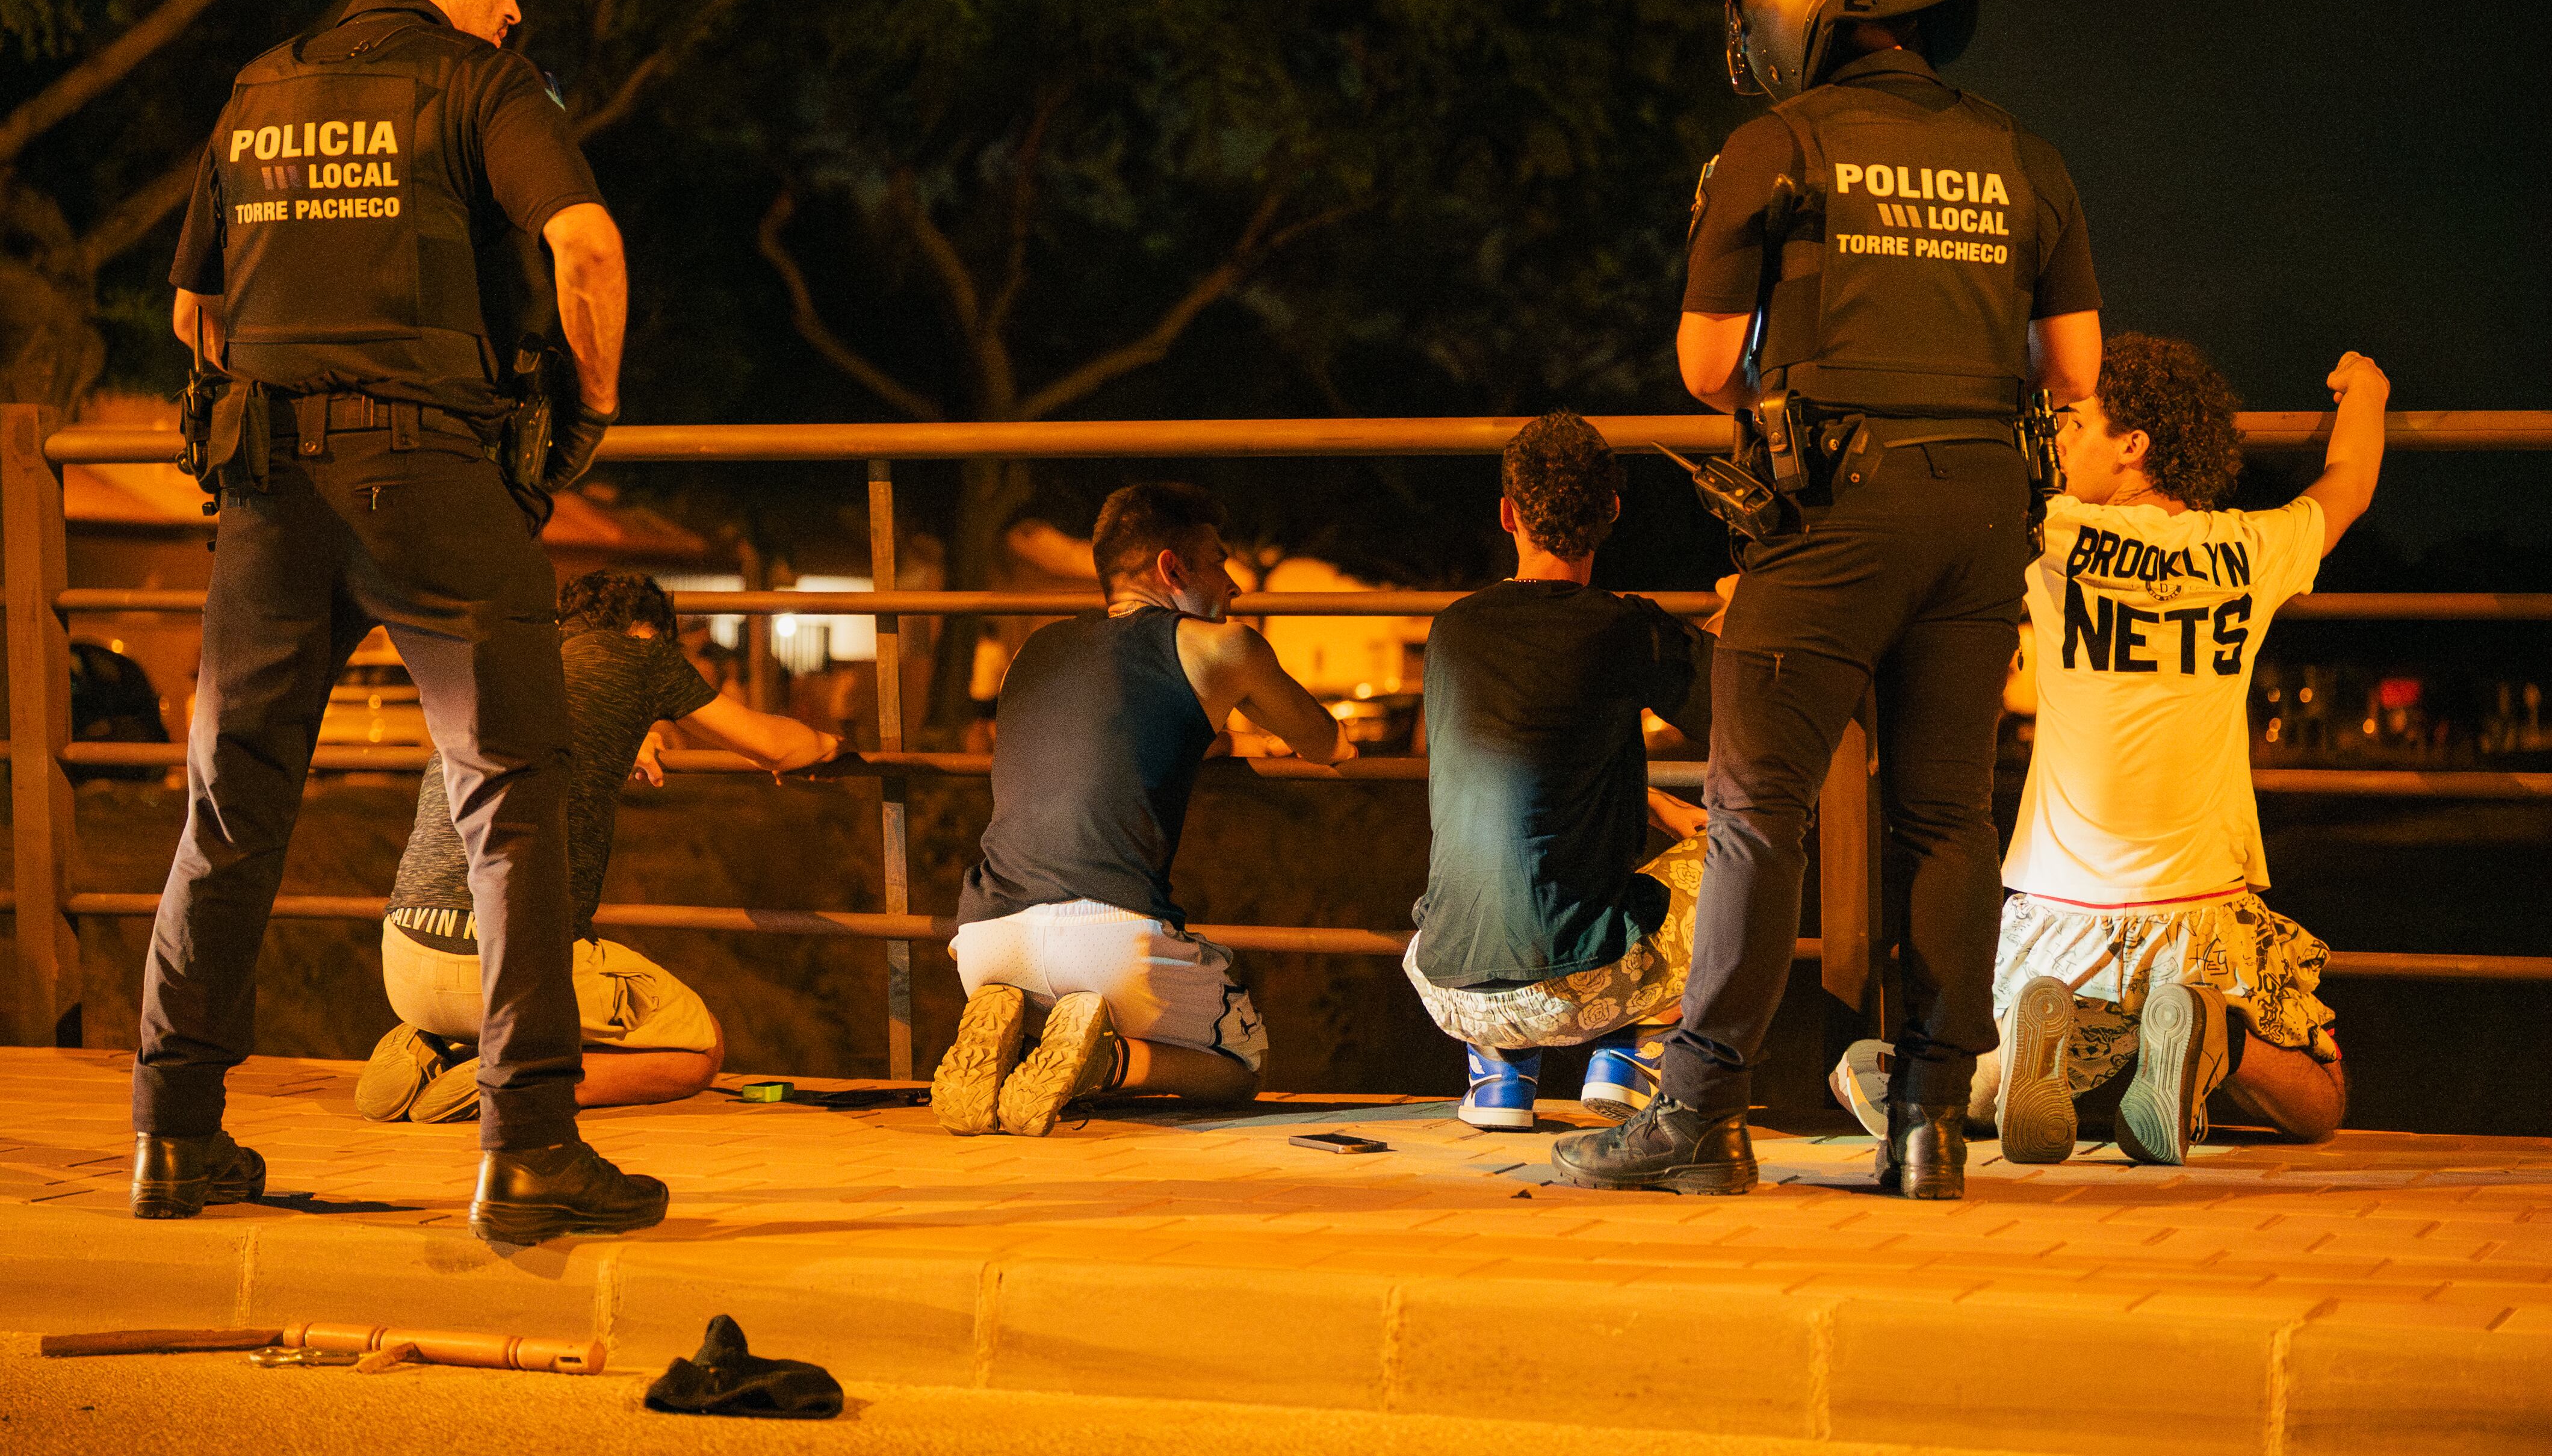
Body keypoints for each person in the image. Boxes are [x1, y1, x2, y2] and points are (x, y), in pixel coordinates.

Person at [133, 0, 663, 1245]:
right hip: (425, 474)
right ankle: (531, 1144)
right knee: (511, 794)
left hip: (262, 490)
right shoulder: (486, 89)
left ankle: (175, 1137)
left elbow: (193, 306)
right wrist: (590, 411)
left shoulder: (257, 90)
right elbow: (589, 250)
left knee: (229, 804)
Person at [1555, 0, 2104, 1200]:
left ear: (1800, 20)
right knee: (1946, 817)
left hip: (1831, 512)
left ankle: (1696, 1115)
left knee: (1757, 810)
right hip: (1980, 513)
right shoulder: (2022, 154)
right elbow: (2072, 372)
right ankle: (1925, 1125)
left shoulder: (1772, 149)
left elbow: (1701, 369)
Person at [1843, 338, 2376, 1165]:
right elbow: (2348, 486)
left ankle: (2034, 1044)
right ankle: (2210, 1044)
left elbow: (1924, 489)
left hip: (2059, 911)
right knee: (2321, 1103)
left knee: (1935, 1085)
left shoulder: (2045, 529)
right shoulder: (2253, 547)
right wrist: (2365, 392)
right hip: (2198, 909)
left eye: (2075, 420)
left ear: (2134, 446)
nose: (2057, 437)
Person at [930, 483, 1354, 1137]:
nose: (1235, 583)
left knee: (1057, 996)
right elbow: (1329, 743)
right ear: (1172, 569)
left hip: (984, 938)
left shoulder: (1031, 654)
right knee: (1242, 1063)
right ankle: (1108, 1062)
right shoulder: (1224, 646)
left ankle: (1014, 1033)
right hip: (1109, 937)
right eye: (1218, 560)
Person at [359, 571, 841, 1123]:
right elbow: (776, 746)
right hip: (506, 963)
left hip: (405, 960)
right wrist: (829, 745)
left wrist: (631, 735)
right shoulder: (642, 657)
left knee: (494, 987)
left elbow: (567, 722)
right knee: (698, 1050)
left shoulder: (509, 666)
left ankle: (427, 1044)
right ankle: (519, 1085)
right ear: (653, 632)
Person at [1406, 413, 1714, 1129]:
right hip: (1582, 987)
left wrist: (1657, 807)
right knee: (1732, 854)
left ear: (1509, 513)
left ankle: (1497, 1080)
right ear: (1611, 511)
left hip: (1444, 979)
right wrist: (1735, 615)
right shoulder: (1623, 627)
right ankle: (1633, 1057)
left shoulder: (1451, 627)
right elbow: (1742, 710)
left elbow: (1537, 763)